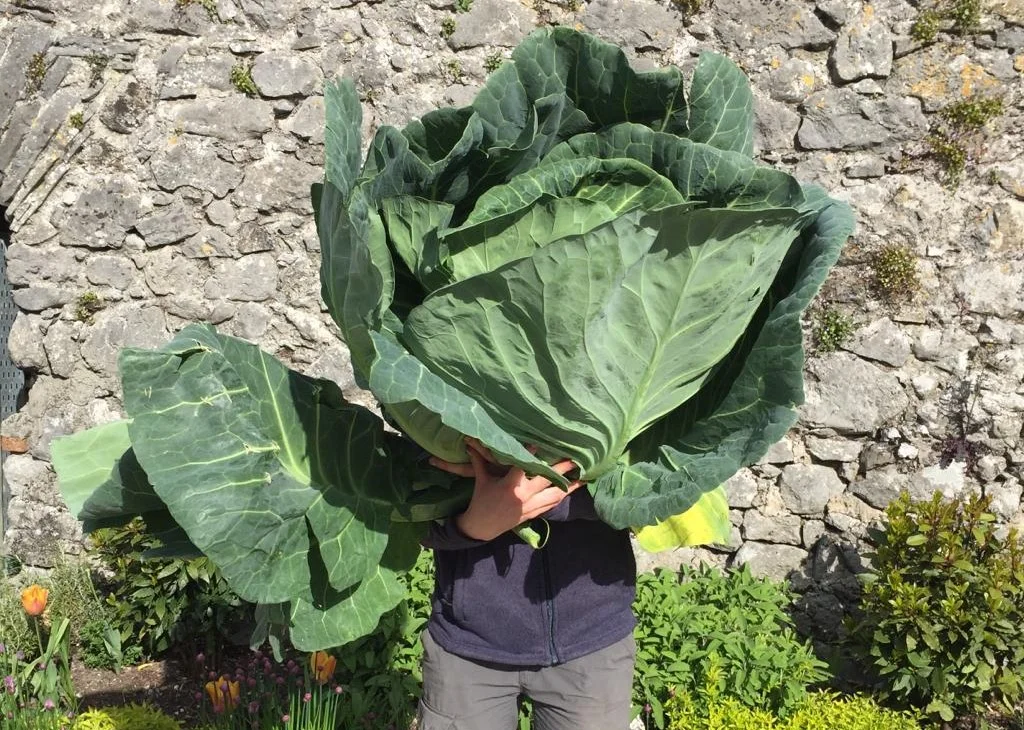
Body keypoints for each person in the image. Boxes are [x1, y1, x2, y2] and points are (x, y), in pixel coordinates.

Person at [417, 436, 638, 730]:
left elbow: (655, 479)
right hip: (468, 648)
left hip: (591, 642)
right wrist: (471, 526)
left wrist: (529, 491)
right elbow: (409, 498)